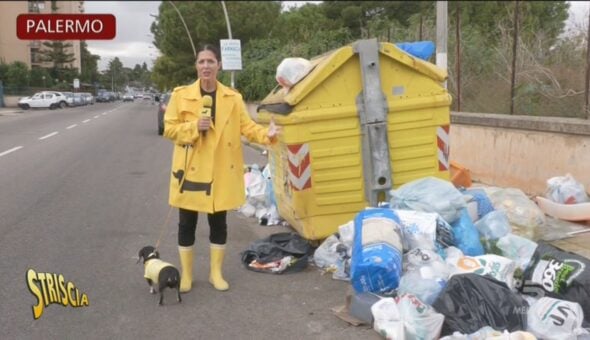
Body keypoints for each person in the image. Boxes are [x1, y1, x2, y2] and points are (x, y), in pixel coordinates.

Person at [162, 44, 280, 293]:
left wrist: (267, 135)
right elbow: (170, 129)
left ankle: (216, 272)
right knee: (186, 224)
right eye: (201, 61)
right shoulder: (181, 95)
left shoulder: (233, 98)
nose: (205, 66)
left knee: (219, 224)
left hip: (220, 171)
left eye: (210, 61)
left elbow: (247, 128)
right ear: (196, 66)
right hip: (191, 170)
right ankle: (187, 275)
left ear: (219, 65)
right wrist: (194, 126)